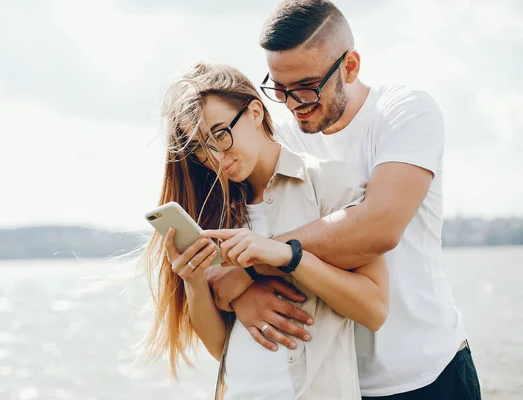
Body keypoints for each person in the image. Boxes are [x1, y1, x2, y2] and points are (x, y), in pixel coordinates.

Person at [207, 1, 482, 399]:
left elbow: (378, 228)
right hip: (336, 382)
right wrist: (244, 297)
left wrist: (255, 266)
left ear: (350, 66)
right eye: (279, 89)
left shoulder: (404, 113)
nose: (291, 104)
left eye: (306, 87)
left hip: (429, 372)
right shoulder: (280, 135)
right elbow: (232, 253)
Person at [140, 61, 389, 399]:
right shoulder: (217, 214)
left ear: (255, 111)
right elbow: (219, 348)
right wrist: (195, 281)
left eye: (219, 133)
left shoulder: (330, 184)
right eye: (199, 147)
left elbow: (374, 310)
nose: (214, 156)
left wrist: (289, 257)